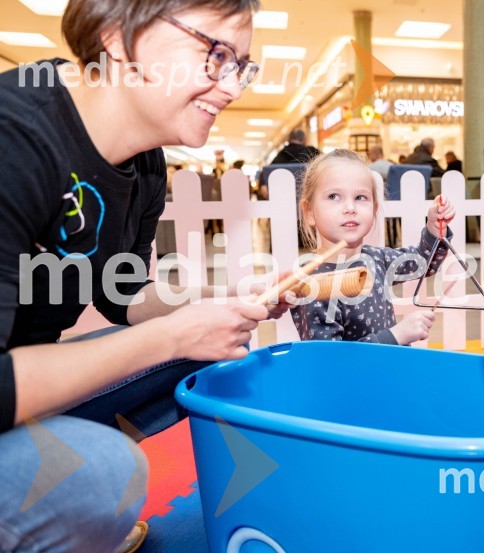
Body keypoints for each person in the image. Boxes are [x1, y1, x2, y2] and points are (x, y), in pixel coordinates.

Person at [0, 1, 291, 551]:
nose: (230, 87)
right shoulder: (15, 137)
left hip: (19, 404)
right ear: (115, 34)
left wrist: (223, 298)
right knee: (106, 473)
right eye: (214, 54)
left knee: (213, 348)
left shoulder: (146, 161)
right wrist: (173, 333)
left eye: (240, 65)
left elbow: (123, 294)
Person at [292, 149, 456, 345]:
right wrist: (396, 335)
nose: (350, 208)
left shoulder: (377, 259)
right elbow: (331, 364)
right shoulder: (312, 285)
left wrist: (434, 227)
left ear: (374, 209)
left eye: (360, 198)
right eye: (334, 196)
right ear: (309, 212)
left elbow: (424, 262)